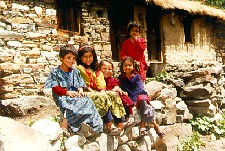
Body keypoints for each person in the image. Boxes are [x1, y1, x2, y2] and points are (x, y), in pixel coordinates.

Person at [44, 44, 103, 137]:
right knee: (72, 104)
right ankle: (65, 124)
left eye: (73, 58)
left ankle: (92, 126)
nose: (71, 61)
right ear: (61, 58)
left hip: (75, 95)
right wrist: (67, 92)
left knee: (87, 100)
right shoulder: (55, 72)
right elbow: (55, 88)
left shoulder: (75, 71)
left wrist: (80, 91)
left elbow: (80, 84)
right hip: (63, 95)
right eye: (68, 58)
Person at [76, 43, 126, 135]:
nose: (88, 59)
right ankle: (110, 125)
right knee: (101, 97)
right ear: (80, 58)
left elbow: (101, 84)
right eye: (85, 57)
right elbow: (83, 85)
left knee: (113, 94)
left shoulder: (96, 69)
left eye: (90, 56)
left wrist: (103, 91)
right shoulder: (79, 69)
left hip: (96, 91)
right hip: (84, 93)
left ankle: (120, 123)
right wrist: (99, 93)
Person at [118, 56, 165, 137]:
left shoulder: (136, 77)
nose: (127, 67)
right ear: (122, 67)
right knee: (147, 108)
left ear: (133, 66)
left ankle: (143, 125)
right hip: (127, 98)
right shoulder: (120, 78)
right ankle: (155, 126)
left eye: (129, 65)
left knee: (143, 102)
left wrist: (134, 100)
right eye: (125, 65)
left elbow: (139, 89)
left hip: (138, 96)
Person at [99, 59, 137, 135]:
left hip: (113, 95)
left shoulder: (112, 79)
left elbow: (116, 86)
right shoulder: (99, 79)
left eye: (110, 69)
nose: (107, 71)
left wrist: (116, 89)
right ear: (99, 69)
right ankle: (118, 124)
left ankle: (124, 120)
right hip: (105, 97)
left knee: (123, 97)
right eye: (104, 68)